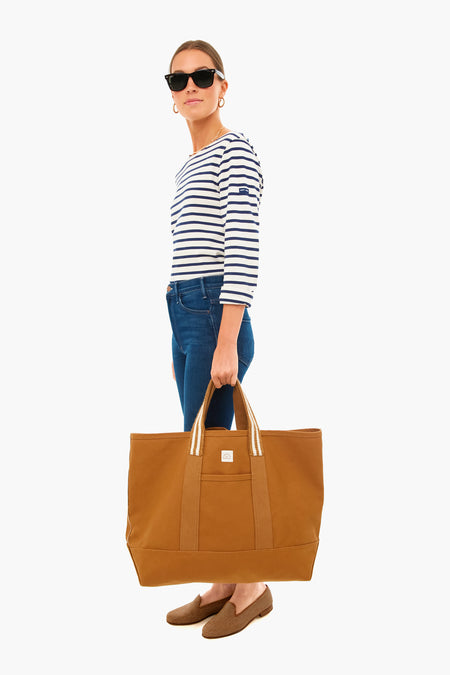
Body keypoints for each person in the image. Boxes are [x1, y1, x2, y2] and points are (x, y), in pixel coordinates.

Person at [164, 40, 273, 638]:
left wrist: (226, 338)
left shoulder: (236, 151)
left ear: (222, 87)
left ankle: (251, 584)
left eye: (202, 76)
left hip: (213, 315)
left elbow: (242, 247)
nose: (191, 87)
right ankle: (225, 581)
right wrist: (184, 331)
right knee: (206, 452)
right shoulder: (189, 164)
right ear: (171, 96)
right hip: (186, 313)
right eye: (178, 80)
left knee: (213, 460)